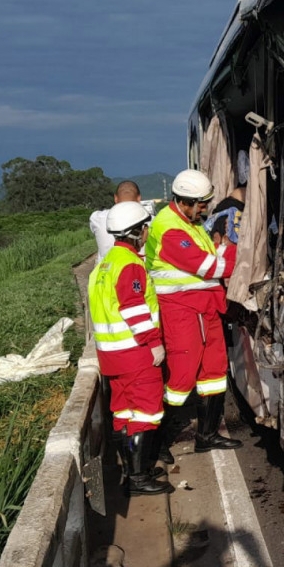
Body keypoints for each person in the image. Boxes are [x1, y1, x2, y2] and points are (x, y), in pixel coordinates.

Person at [145, 169, 243, 456]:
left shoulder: (190, 222)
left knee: (214, 371)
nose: (205, 209)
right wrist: (238, 251)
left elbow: (211, 256)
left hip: (206, 307)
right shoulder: (171, 229)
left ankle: (208, 435)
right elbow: (211, 266)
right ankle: (157, 443)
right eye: (201, 204)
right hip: (182, 312)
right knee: (181, 378)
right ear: (184, 201)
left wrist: (223, 250)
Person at [87, 201, 172, 496]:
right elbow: (134, 309)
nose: (148, 232)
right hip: (135, 355)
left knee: (123, 412)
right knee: (146, 413)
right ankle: (139, 477)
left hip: (111, 358)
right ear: (138, 232)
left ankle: (132, 470)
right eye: (146, 228)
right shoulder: (131, 265)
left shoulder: (103, 265)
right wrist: (154, 343)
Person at [90, 181, 154, 262]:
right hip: (138, 268)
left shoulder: (97, 218)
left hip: (105, 271)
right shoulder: (152, 220)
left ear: (115, 198)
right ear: (139, 198)